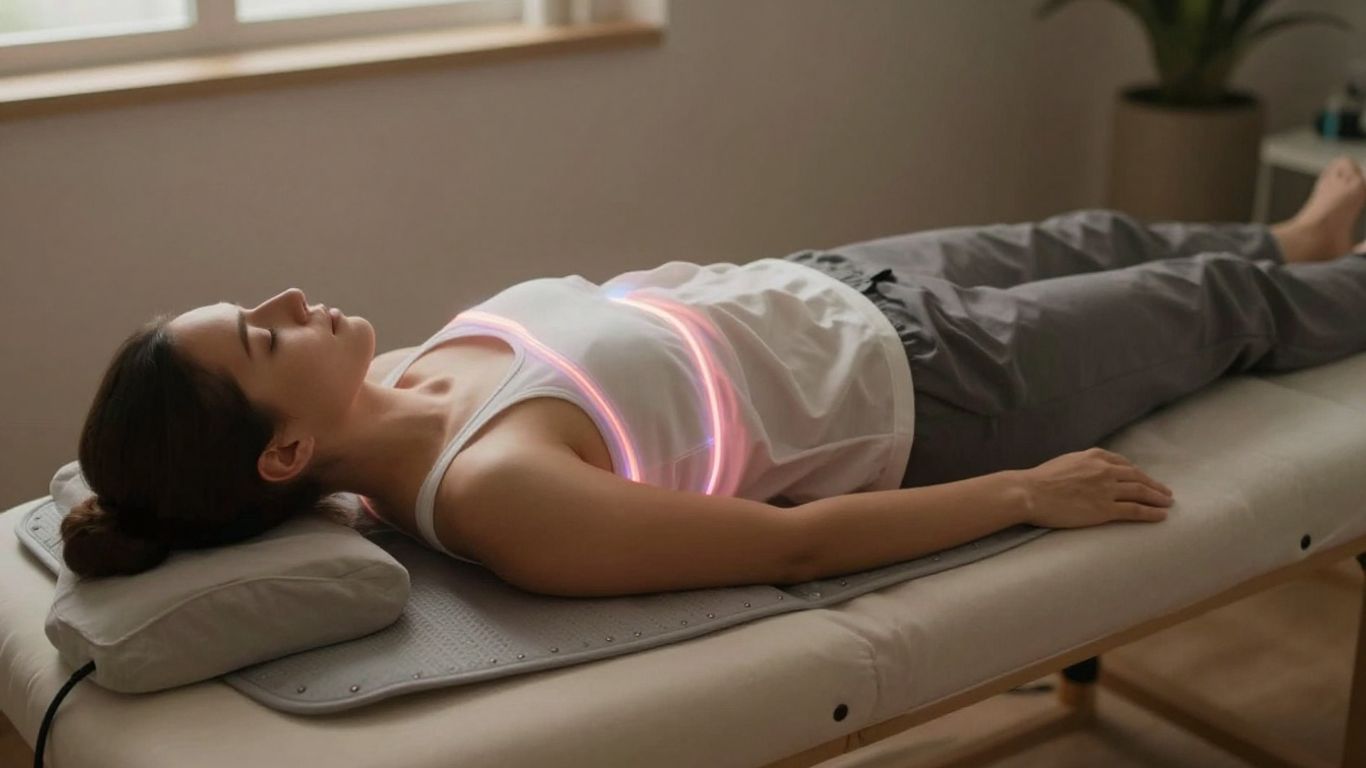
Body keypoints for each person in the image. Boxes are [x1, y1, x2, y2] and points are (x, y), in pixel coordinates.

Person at [60, 158, 1366, 598]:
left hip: (823, 287)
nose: (291, 303)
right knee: (1208, 305)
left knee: (1103, 237)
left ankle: (1302, 238)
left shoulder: (390, 385)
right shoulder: (497, 490)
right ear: (281, 451)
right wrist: (1026, 492)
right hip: (937, 391)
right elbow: (783, 548)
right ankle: (1307, 275)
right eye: (265, 338)